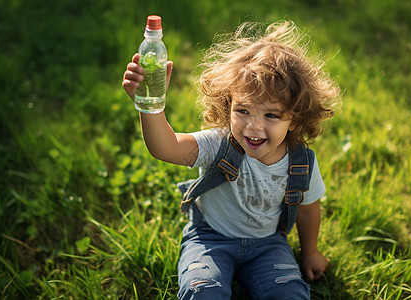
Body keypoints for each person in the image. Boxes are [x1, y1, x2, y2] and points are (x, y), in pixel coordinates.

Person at [123, 20, 341, 300]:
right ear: (228, 105)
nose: (253, 126)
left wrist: (310, 252)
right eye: (243, 110)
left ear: (295, 120)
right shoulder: (219, 144)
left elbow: (308, 210)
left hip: (268, 245)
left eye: (271, 115)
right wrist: (150, 104)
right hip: (210, 239)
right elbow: (165, 148)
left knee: (290, 294)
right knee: (202, 292)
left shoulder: (301, 163)